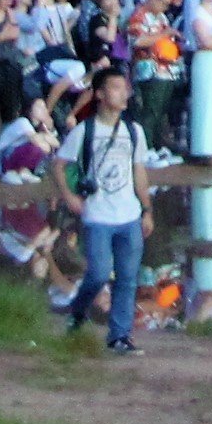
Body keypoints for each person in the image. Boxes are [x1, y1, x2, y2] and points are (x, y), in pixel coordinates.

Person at [62, 68, 150, 357]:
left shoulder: (134, 132)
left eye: (124, 88)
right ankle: (78, 310)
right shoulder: (84, 131)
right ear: (99, 94)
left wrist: (146, 209)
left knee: (127, 277)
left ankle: (119, 335)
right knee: (98, 273)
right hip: (97, 215)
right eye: (115, 88)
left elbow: (139, 171)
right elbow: (58, 165)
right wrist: (69, 196)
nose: (123, 93)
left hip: (129, 215)